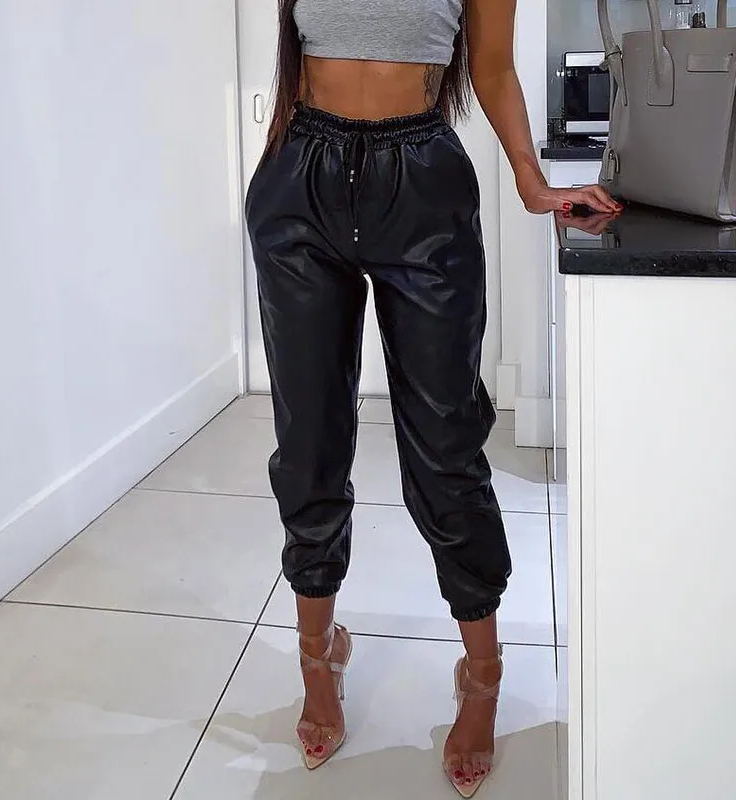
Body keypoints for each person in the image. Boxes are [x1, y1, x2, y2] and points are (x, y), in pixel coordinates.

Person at [245, 1, 620, 795]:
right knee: (308, 442)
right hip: (300, 183)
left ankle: (481, 672)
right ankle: (318, 656)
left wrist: (532, 179)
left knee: (446, 445)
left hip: (421, 182)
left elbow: (492, 66)